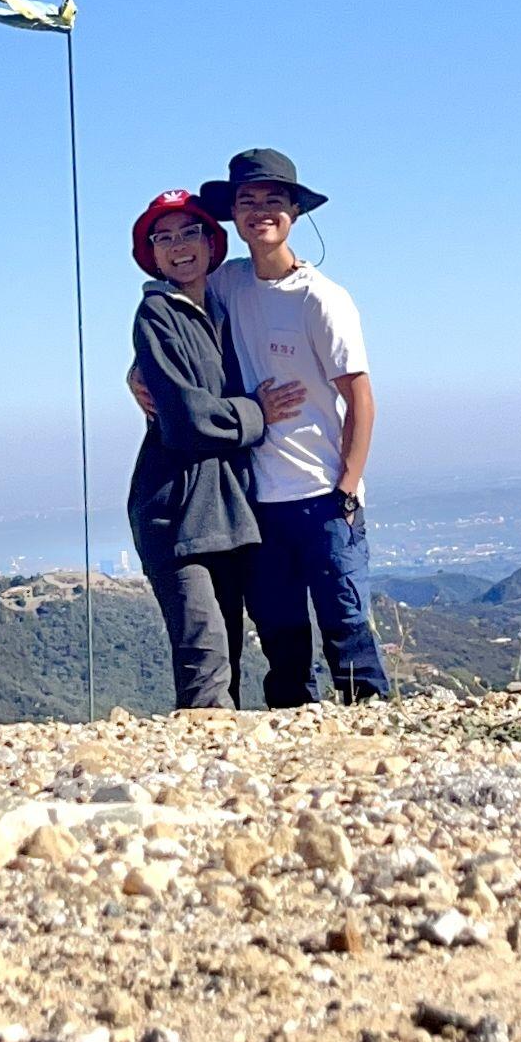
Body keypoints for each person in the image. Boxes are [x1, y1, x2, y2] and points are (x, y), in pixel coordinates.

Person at [202, 148, 389, 705]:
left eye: (273, 200)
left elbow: (361, 399)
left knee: (346, 628)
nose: (260, 211)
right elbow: (174, 314)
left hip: (321, 495)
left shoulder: (321, 299)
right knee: (281, 638)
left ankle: (373, 734)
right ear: (233, 213)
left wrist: (346, 489)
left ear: (295, 211)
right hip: (259, 501)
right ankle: (294, 743)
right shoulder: (227, 283)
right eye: (248, 200)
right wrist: (137, 372)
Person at [122, 189, 271, 710]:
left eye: (190, 233)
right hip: (178, 514)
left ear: (211, 243)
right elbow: (187, 421)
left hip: (228, 512)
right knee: (205, 665)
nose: (179, 246)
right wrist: (258, 412)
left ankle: (225, 759)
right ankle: (202, 758)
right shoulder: (156, 314)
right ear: (152, 254)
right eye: (164, 238)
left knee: (228, 657)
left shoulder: (226, 307)